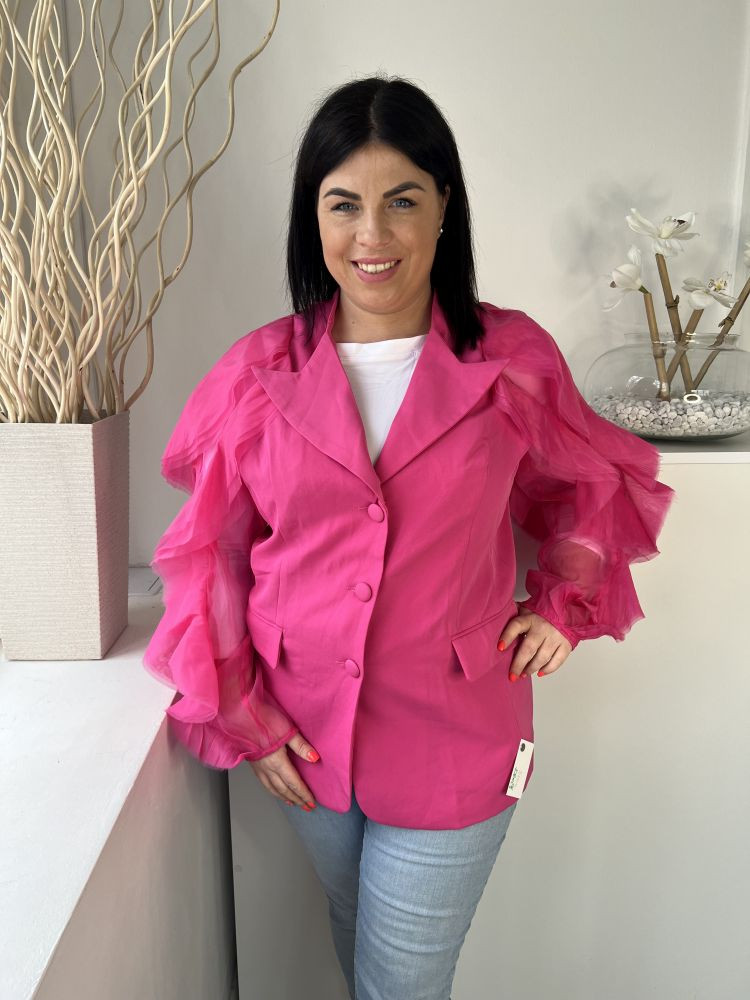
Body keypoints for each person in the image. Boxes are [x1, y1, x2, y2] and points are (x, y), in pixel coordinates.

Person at [143, 74, 675, 1000]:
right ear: (313, 217)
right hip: (305, 734)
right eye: (343, 204)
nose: (372, 235)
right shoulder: (256, 374)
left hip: (456, 731)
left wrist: (564, 603)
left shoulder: (509, 361)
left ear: (443, 207)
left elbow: (591, 482)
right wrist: (246, 715)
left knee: (400, 981)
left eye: (401, 201)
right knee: (360, 942)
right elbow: (212, 558)